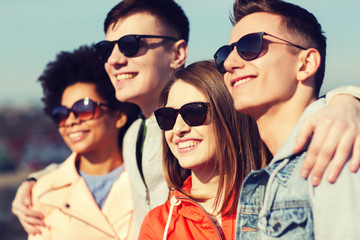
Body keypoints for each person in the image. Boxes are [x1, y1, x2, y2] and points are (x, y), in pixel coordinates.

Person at [12, 0, 360, 237]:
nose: (115, 58)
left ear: (178, 52)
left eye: (131, 45)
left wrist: (347, 100)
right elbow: (88, 161)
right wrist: (34, 180)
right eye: (107, 49)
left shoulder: (331, 144)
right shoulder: (134, 135)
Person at [214, 0, 360, 239]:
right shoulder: (271, 173)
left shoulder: (337, 149)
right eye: (224, 54)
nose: (229, 63)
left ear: (306, 64)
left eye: (250, 45)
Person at [139, 60, 270, 239]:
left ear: (231, 116)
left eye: (194, 112)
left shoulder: (278, 202)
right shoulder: (158, 226)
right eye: (168, 117)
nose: (178, 129)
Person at [28, 45, 140, 239]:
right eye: (61, 114)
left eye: (84, 108)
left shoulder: (147, 180)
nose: (71, 120)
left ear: (119, 116)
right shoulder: (44, 191)